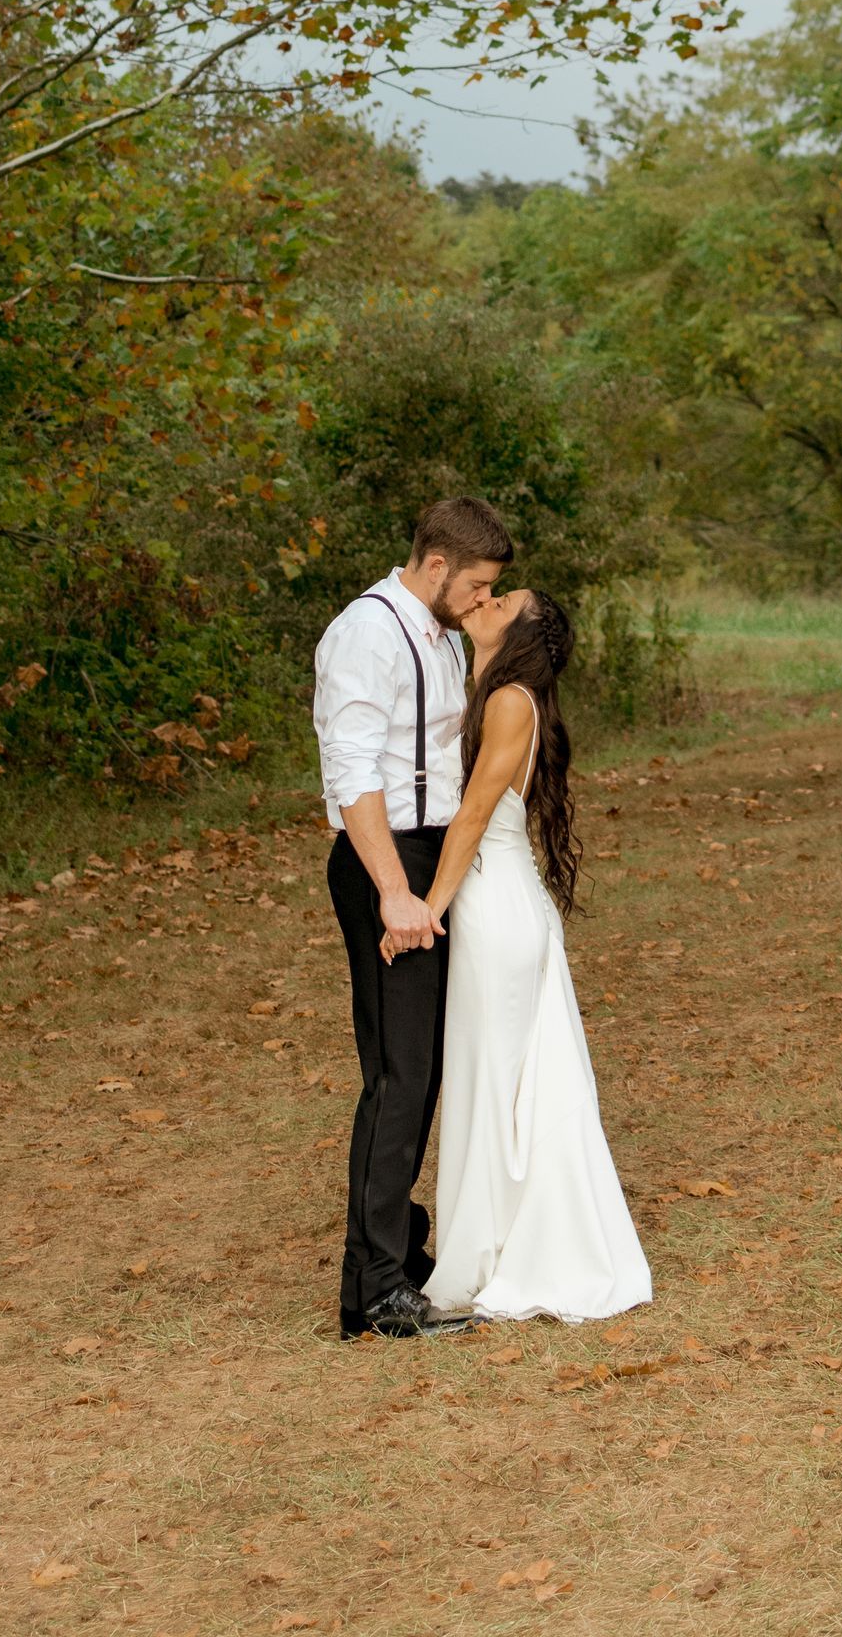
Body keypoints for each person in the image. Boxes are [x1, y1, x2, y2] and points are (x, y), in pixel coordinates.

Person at [407, 587, 652, 1325]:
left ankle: (501, 1253)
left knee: (500, 1083)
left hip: (495, 910)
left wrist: (427, 910)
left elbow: (476, 815)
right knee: (497, 1082)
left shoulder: (511, 700)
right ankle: (491, 1240)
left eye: (501, 598)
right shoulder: (486, 688)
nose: (483, 599)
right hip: (496, 905)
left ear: (520, 631)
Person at [315, 495, 512, 1339]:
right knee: (398, 1076)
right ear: (436, 567)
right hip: (384, 862)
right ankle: (374, 1293)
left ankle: (399, 1243)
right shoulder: (367, 633)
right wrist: (394, 890)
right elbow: (352, 771)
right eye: (474, 586)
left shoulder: (436, 634)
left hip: (429, 858)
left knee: (423, 1069)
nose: (479, 601)